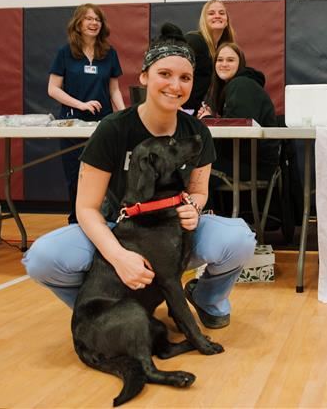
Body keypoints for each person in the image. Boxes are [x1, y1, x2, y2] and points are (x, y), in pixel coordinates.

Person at [24, 23, 255, 329]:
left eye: (184, 77)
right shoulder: (114, 129)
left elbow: (199, 191)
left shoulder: (197, 132)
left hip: (172, 233)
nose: (175, 85)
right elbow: (86, 208)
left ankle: (207, 298)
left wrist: (194, 209)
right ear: (144, 77)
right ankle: (108, 314)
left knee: (238, 238)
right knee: (42, 258)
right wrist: (118, 256)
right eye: (165, 74)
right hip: (118, 228)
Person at [48, 4, 125, 224]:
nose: (93, 23)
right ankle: (76, 222)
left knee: (106, 176)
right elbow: (53, 89)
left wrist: (125, 115)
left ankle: (105, 222)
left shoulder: (109, 54)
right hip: (73, 124)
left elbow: (114, 90)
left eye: (97, 19)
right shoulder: (65, 53)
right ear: (78, 24)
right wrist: (81, 105)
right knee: (75, 177)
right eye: (88, 19)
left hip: (103, 126)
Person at [202, 42, 280, 191]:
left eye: (230, 60)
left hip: (252, 168)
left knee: (189, 167)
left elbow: (238, 127)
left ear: (241, 64)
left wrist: (207, 120)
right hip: (247, 163)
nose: (224, 64)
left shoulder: (241, 84)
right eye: (220, 60)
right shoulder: (235, 86)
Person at [184, 0, 237, 116]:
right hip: (183, 113)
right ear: (204, 20)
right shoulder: (194, 41)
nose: (217, 16)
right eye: (211, 13)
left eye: (222, 13)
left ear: (227, 21)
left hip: (200, 115)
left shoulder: (224, 50)